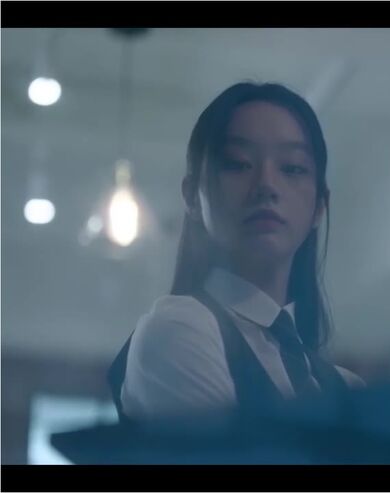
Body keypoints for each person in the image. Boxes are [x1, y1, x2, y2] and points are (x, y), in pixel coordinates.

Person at [107, 82, 364, 423]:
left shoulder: (344, 386)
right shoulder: (180, 330)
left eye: (292, 168)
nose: (267, 185)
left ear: (320, 205)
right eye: (238, 163)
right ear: (192, 196)